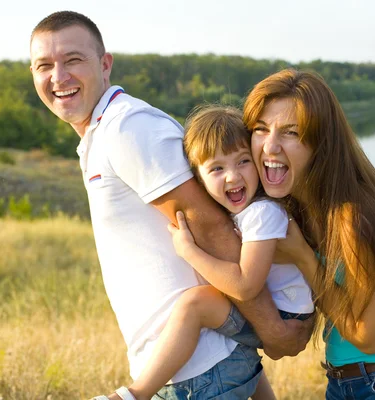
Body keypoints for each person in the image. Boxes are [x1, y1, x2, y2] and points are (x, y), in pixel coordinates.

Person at [29, 11, 312, 400]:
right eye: (44, 65)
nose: (58, 76)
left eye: (73, 60)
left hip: (197, 373)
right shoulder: (101, 134)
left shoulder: (127, 126)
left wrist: (274, 329)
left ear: (105, 64)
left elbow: (211, 226)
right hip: (195, 365)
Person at [242, 69, 375, 399]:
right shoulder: (300, 207)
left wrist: (303, 256)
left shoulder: (352, 216)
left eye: (291, 132)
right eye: (260, 129)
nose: (270, 145)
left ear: (320, 144)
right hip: (352, 380)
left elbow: (371, 337)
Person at [124, 105, 315, 399]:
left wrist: (188, 250)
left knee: (195, 304)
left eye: (243, 161)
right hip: (276, 308)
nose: (232, 177)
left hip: (286, 316)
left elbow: (245, 285)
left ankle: (136, 394)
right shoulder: (242, 212)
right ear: (198, 179)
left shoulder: (261, 213)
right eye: (217, 168)